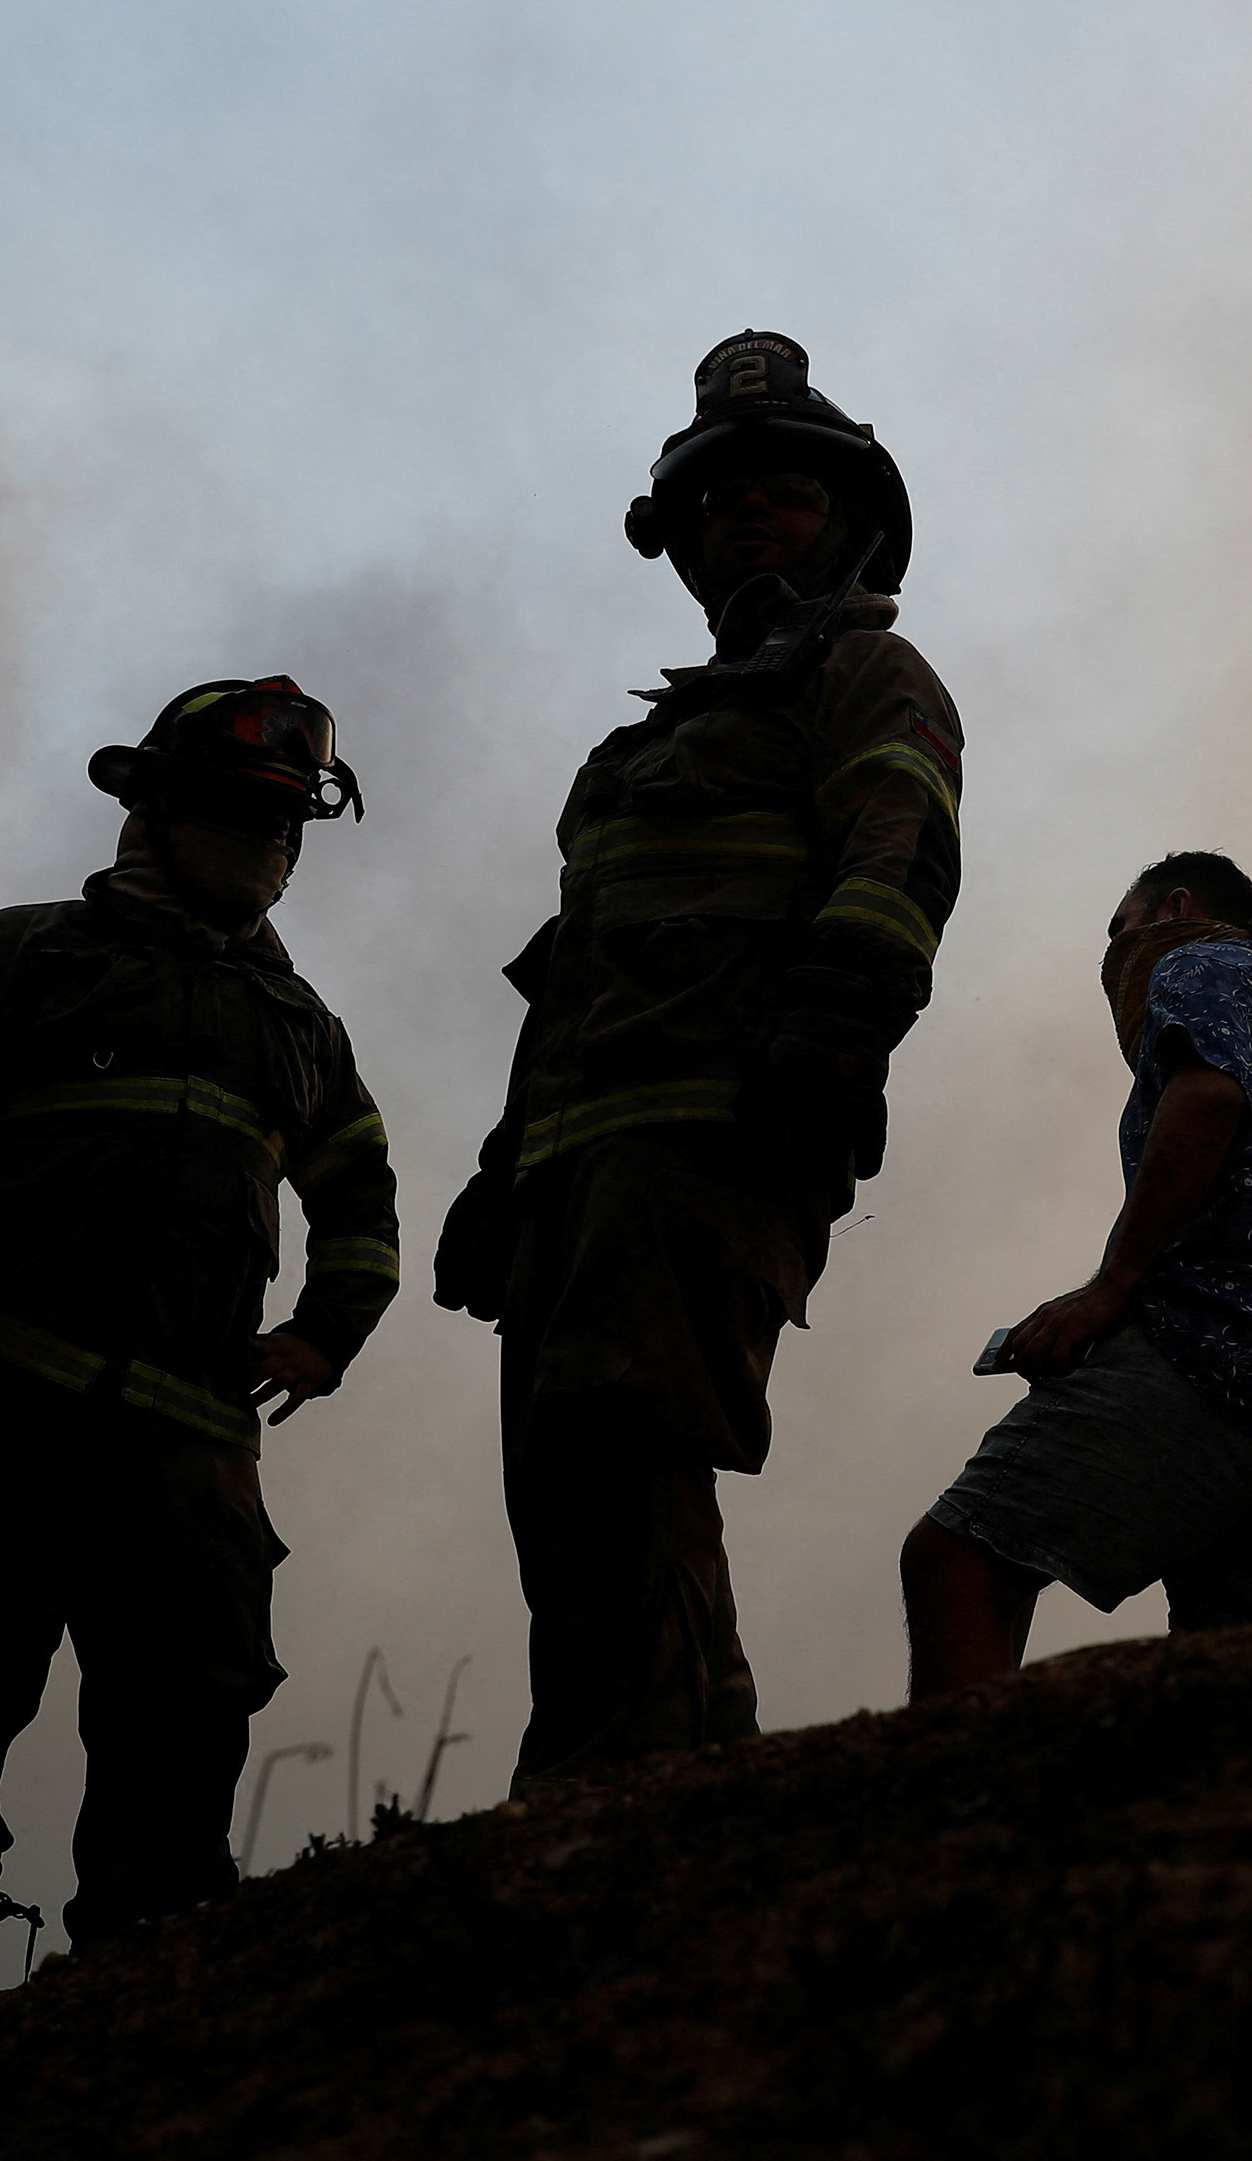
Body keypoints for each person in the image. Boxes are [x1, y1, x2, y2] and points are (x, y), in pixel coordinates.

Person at [0, 677, 398, 2030]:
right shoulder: (25, 957)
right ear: (158, 808)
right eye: (237, 810)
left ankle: (141, 2034)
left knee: (178, 1762)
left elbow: (361, 1198)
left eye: (284, 820)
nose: (262, 840)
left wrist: (322, 1332)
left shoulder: (300, 1032)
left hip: (188, 1462)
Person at [434, 327, 963, 1785]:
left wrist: (824, 1053)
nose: (749, 512)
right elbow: (576, 977)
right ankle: (673, 1785)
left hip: (718, 1135)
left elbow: (897, 855)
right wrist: (501, 1166)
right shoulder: (637, 754)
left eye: (787, 490)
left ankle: (617, 1796)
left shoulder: (863, 676)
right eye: (724, 494)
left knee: (625, 1451)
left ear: (847, 516)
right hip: (574, 1169)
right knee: (568, 1492)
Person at [903, 851, 1252, 1696]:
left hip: (1227, 1344)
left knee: (960, 1558)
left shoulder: (1202, 961)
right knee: (1239, 1698)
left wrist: (1110, 1287)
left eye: (1119, 931)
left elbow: (1206, 1097)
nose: (1114, 958)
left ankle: (960, 1822)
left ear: (1174, 908)